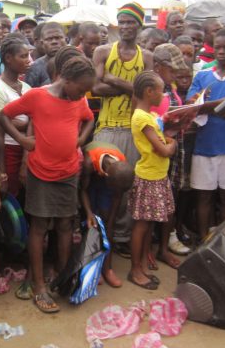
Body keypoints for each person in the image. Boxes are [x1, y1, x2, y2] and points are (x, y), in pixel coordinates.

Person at [0, 49, 96, 313]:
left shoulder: (79, 99)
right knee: (40, 226)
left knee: (65, 224)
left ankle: (62, 277)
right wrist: (21, 140)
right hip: (41, 172)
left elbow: (89, 119)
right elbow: (3, 115)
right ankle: (39, 284)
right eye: (81, 89)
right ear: (67, 79)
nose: (82, 95)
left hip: (69, 172)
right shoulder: (37, 96)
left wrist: (80, 140)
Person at [92, 2, 152, 252]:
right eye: (122, 22)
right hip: (106, 127)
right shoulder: (103, 51)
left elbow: (147, 93)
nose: (126, 27)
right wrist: (132, 87)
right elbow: (96, 89)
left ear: (139, 25)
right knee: (102, 183)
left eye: (131, 22)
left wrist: (113, 79)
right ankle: (99, 236)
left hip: (133, 129)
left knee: (130, 186)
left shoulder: (146, 56)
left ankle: (122, 239)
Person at [186, 27, 225, 241]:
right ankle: (204, 239)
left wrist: (208, 106)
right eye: (218, 47)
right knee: (204, 197)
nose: (221, 52)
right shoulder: (203, 76)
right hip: (205, 146)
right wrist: (220, 107)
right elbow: (191, 106)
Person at [128, 71, 177, 290]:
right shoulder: (142, 118)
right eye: (161, 90)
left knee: (148, 225)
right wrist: (172, 143)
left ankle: (143, 265)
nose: (164, 94)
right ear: (149, 92)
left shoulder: (147, 116)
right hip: (149, 177)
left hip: (156, 175)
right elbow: (163, 150)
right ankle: (135, 269)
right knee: (142, 225)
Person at [150, 44, 191, 263]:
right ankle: (153, 249)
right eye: (171, 69)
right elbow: (145, 123)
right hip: (158, 152)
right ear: (157, 67)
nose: (176, 73)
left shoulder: (170, 87)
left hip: (174, 149)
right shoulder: (151, 89)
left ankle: (163, 247)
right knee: (153, 203)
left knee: (170, 200)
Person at [79, 140, 135, 288]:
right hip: (89, 180)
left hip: (109, 177)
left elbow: (117, 196)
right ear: (106, 175)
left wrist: (110, 222)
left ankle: (107, 268)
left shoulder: (122, 168)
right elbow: (82, 190)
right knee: (91, 225)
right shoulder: (88, 163)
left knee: (107, 225)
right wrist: (89, 213)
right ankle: (91, 267)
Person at [0, 33, 32, 198]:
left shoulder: (27, 87)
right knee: (11, 195)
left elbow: (33, 121)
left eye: (28, 55)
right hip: (9, 151)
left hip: (27, 149)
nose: (29, 60)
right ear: (8, 58)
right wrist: (2, 172)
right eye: (23, 56)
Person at [24, 21, 66, 88]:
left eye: (58, 38)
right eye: (49, 39)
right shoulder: (35, 69)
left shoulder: (74, 63)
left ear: (65, 39)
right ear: (42, 43)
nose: (54, 42)